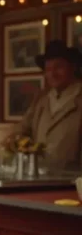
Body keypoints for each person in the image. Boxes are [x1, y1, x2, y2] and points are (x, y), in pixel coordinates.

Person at [9, 40, 82, 171]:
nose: (52, 74)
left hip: (72, 182)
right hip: (40, 178)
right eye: (48, 69)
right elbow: (22, 129)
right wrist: (17, 142)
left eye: (59, 67)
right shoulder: (42, 100)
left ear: (73, 67)